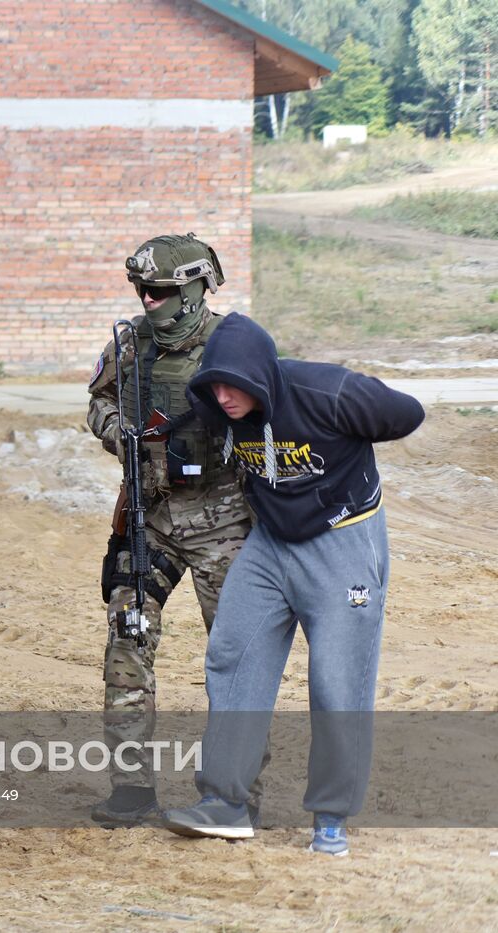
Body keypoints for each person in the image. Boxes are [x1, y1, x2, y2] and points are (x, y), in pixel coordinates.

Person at [161, 313, 424, 856]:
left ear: (261, 373)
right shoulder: (219, 409)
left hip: (343, 540)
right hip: (271, 543)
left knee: (336, 680)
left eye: (236, 383)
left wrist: (352, 452)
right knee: (232, 654)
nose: (225, 396)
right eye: (215, 384)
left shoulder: (327, 392)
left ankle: (331, 816)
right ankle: (225, 802)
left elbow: (407, 413)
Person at [85, 233, 258, 827]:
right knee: (126, 645)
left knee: (236, 659)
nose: (146, 298)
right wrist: (129, 438)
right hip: (150, 519)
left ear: (192, 288)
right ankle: (131, 787)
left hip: (225, 526)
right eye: (140, 288)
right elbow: (98, 404)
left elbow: (275, 421)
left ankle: (235, 794)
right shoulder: (130, 343)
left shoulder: (233, 345)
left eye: (158, 289)